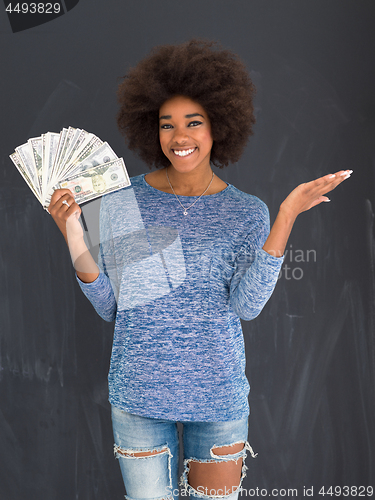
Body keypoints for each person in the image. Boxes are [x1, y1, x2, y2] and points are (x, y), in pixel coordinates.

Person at [48, 40, 351, 500]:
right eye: (167, 124)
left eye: (194, 122)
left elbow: (246, 307)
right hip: (139, 397)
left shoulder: (248, 213)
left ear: (218, 126)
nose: (179, 136)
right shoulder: (123, 200)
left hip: (218, 399)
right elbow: (113, 307)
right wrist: (73, 235)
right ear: (152, 129)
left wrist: (286, 215)